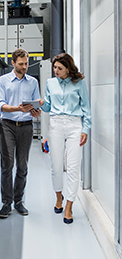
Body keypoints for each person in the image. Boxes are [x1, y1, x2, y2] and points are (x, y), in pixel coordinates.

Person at [40, 53, 91, 224]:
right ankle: (58, 197)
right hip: (55, 124)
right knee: (55, 165)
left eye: (59, 68)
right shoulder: (50, 83)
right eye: (54, 67)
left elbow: (86, 107)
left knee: (73, 166)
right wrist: (40, 104)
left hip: (75, 125)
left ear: (68, 69)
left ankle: (69, 206)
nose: (56, 71)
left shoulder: (79, 83)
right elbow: (47, 107)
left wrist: (86, 129)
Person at [0, 48, 41, 219]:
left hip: (26, 126)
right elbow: (0, 105)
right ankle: (6, 203)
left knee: (22, 166)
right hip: (7, 125)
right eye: (21, 64)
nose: (25, 67)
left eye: (26, 63)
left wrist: (36, 111)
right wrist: (17, 108)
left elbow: (37, 104)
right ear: (13, 63)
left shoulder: (33, 82)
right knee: (7, 166)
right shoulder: (3, 81)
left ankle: (19, 201)